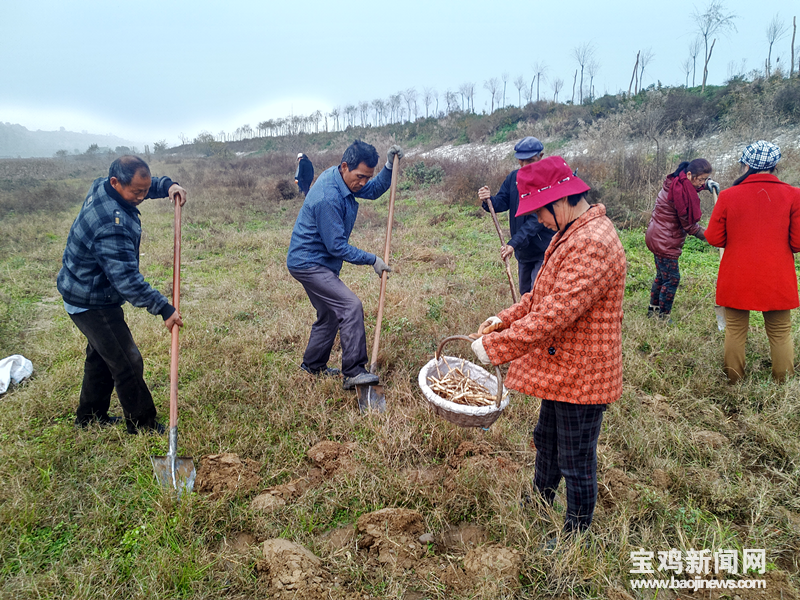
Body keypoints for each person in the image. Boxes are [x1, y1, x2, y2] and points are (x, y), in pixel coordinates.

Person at [470, 156, 627, 537]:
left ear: (561, 201)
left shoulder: (592, 243)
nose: (536, 221)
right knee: (548, 440)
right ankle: (539, 500)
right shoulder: (571, 231)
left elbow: (554, 314)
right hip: (564, 369)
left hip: (582, 374)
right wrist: (503, 319)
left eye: (539, 212)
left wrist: (497, 347)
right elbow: (541, 295)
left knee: (575, 458)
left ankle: (577, 535)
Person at [57, 156, 187, 434]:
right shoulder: (111, 226)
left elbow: (143, 186)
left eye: (145, 189)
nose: (141, 196)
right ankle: (143, 426)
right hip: (91, 300)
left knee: (103, 354)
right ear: (115, 183)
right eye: (136, 192)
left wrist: (167, 187)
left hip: (83, 287)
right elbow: (127, 280)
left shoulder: (102, 186)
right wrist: (164, 308)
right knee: (127, 361)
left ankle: (90, 418)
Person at [287, 140, 403, 390]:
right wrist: (372, 259)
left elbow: (372, 190)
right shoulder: (328, 196)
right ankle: (353, 371)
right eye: (360, 176)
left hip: (318, 262)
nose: (362, 182)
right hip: (309, 263)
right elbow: (336, 247)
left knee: (329, 313)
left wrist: (388, 167)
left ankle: (313, 366)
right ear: (344, 166)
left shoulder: (343, 178)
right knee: (350, 306)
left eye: (366, 176)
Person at [705, 141, 800, 383]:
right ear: (775, 165)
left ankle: (734, 380)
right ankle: (783, 382)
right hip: (777, 276)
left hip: (737, 274)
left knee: (735, 331)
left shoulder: (727, 196)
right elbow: (798, 243)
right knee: (780, 333)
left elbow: (714, 238)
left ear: (746, 165)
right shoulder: (794, 195)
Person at [477, 136, 555, 295]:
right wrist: (488, 200)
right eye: (522, 161)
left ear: (541, 157)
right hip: (523, 252)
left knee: (537, 293)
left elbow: (536, 222)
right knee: (525, 294)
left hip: (544, 250)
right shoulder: (513, 178)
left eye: (531, 160)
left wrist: (513, 243)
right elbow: (502, 202)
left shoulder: (547, 182)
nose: (525, 166)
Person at [645, 159, 718, 320]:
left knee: (662, 276)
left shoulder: (678, 181)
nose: (702, 183)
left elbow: (691, 189)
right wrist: (712, 237)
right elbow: (690, 227)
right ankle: (663, 317)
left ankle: (653, 310)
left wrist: (707, 185)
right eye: (701, 180)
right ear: (690, 175)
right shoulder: (679, 193)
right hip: (664, 240)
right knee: (672, 278)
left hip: (656, 235)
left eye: (705, 179)